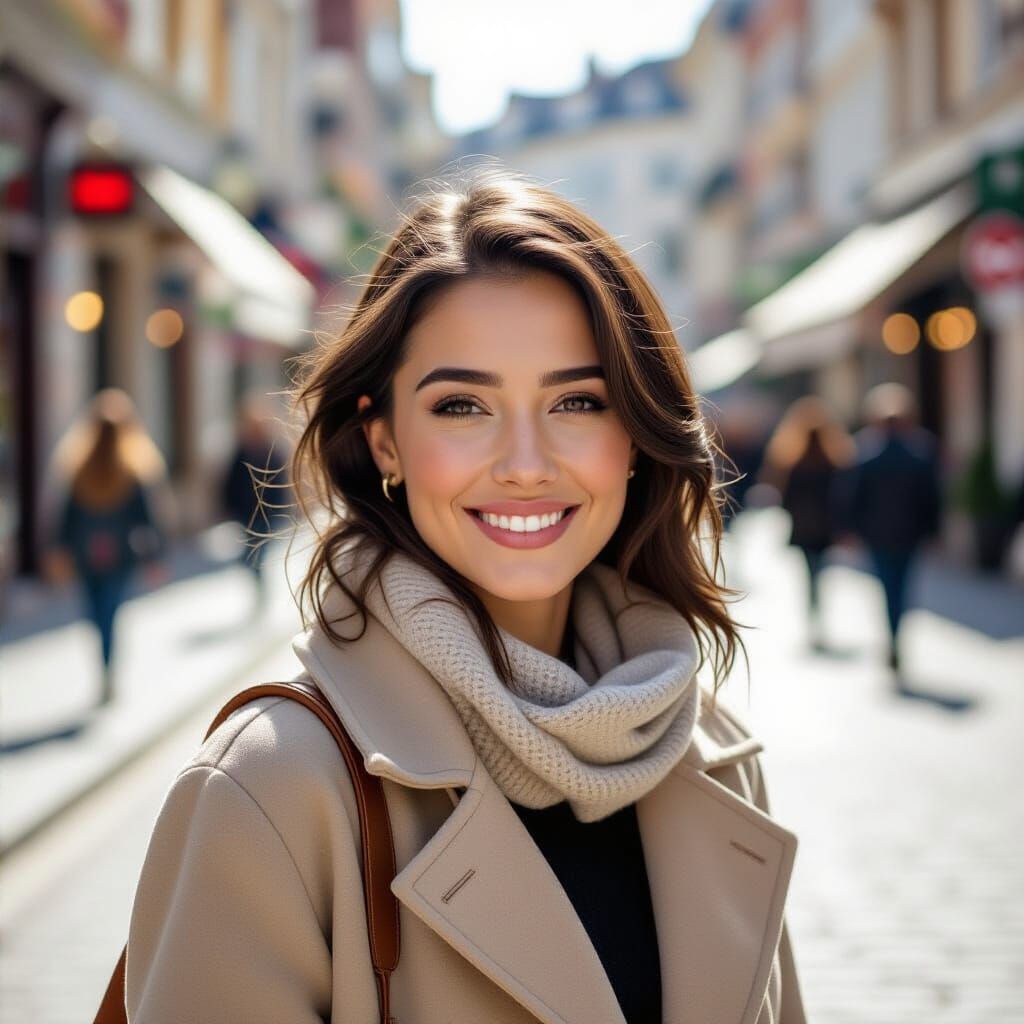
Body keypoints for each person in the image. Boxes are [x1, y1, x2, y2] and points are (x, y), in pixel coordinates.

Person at [123, 169, 806, 1023]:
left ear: (634, 436)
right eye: (462, 406)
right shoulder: (269, 790)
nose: (525, 463)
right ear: (384, 441)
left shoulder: (708, 749)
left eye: (577, 400)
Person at [45, 389, 168, 707]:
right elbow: (147, 521)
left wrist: (60, 552)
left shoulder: (121, 468)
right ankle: (107, 666)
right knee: (105, 613)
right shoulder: (104, 467)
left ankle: (106, 666)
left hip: (93, 556)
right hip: (113, 557)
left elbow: (68, 520)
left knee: (100, 613)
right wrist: (154, 558)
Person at [843, 382, 942, 677]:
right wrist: (933, 532)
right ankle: (896, 636)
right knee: (902, 587)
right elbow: (932, 498)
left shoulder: (866, 453)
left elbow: (851, 496)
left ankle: (893, 636)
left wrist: (850, 528)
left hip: (878, 535)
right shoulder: (920, 453)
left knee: (887, 587)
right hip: (908, 534)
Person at [762, 396, 855, 651]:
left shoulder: (794, 462)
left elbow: (785, 499)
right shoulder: (833, 463)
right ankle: (818, 618)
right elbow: (841, 500)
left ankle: (813, 619)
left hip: (803, 529)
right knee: (819, 574)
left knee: (810, 575)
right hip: (824, 529)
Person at [221, 395, 292, 613]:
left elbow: (280, 484)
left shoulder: (272, 450)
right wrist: (228, 506)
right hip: (246, 514)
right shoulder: (241, 449)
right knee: (249, 556)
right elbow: (230, 481)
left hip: (266, 515)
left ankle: (261, 591)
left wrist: (278, 510)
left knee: (256, 554)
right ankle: (260, 587)